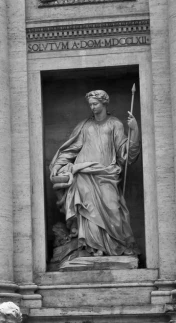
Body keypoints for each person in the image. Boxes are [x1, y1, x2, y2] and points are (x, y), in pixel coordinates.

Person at [50, 89, 140, 257]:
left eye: (95, 104)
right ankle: (92, 247)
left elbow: (126, 153)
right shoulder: (84, 126)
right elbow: (71, 149)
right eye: (90, 104)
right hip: (83, 174)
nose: (92, 107)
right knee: (88, 211)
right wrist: (59, 164)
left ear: (104, 103)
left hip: (106, 174)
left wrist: (134, 131)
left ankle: (115, 246)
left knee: (113, 208)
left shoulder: (115, 124)